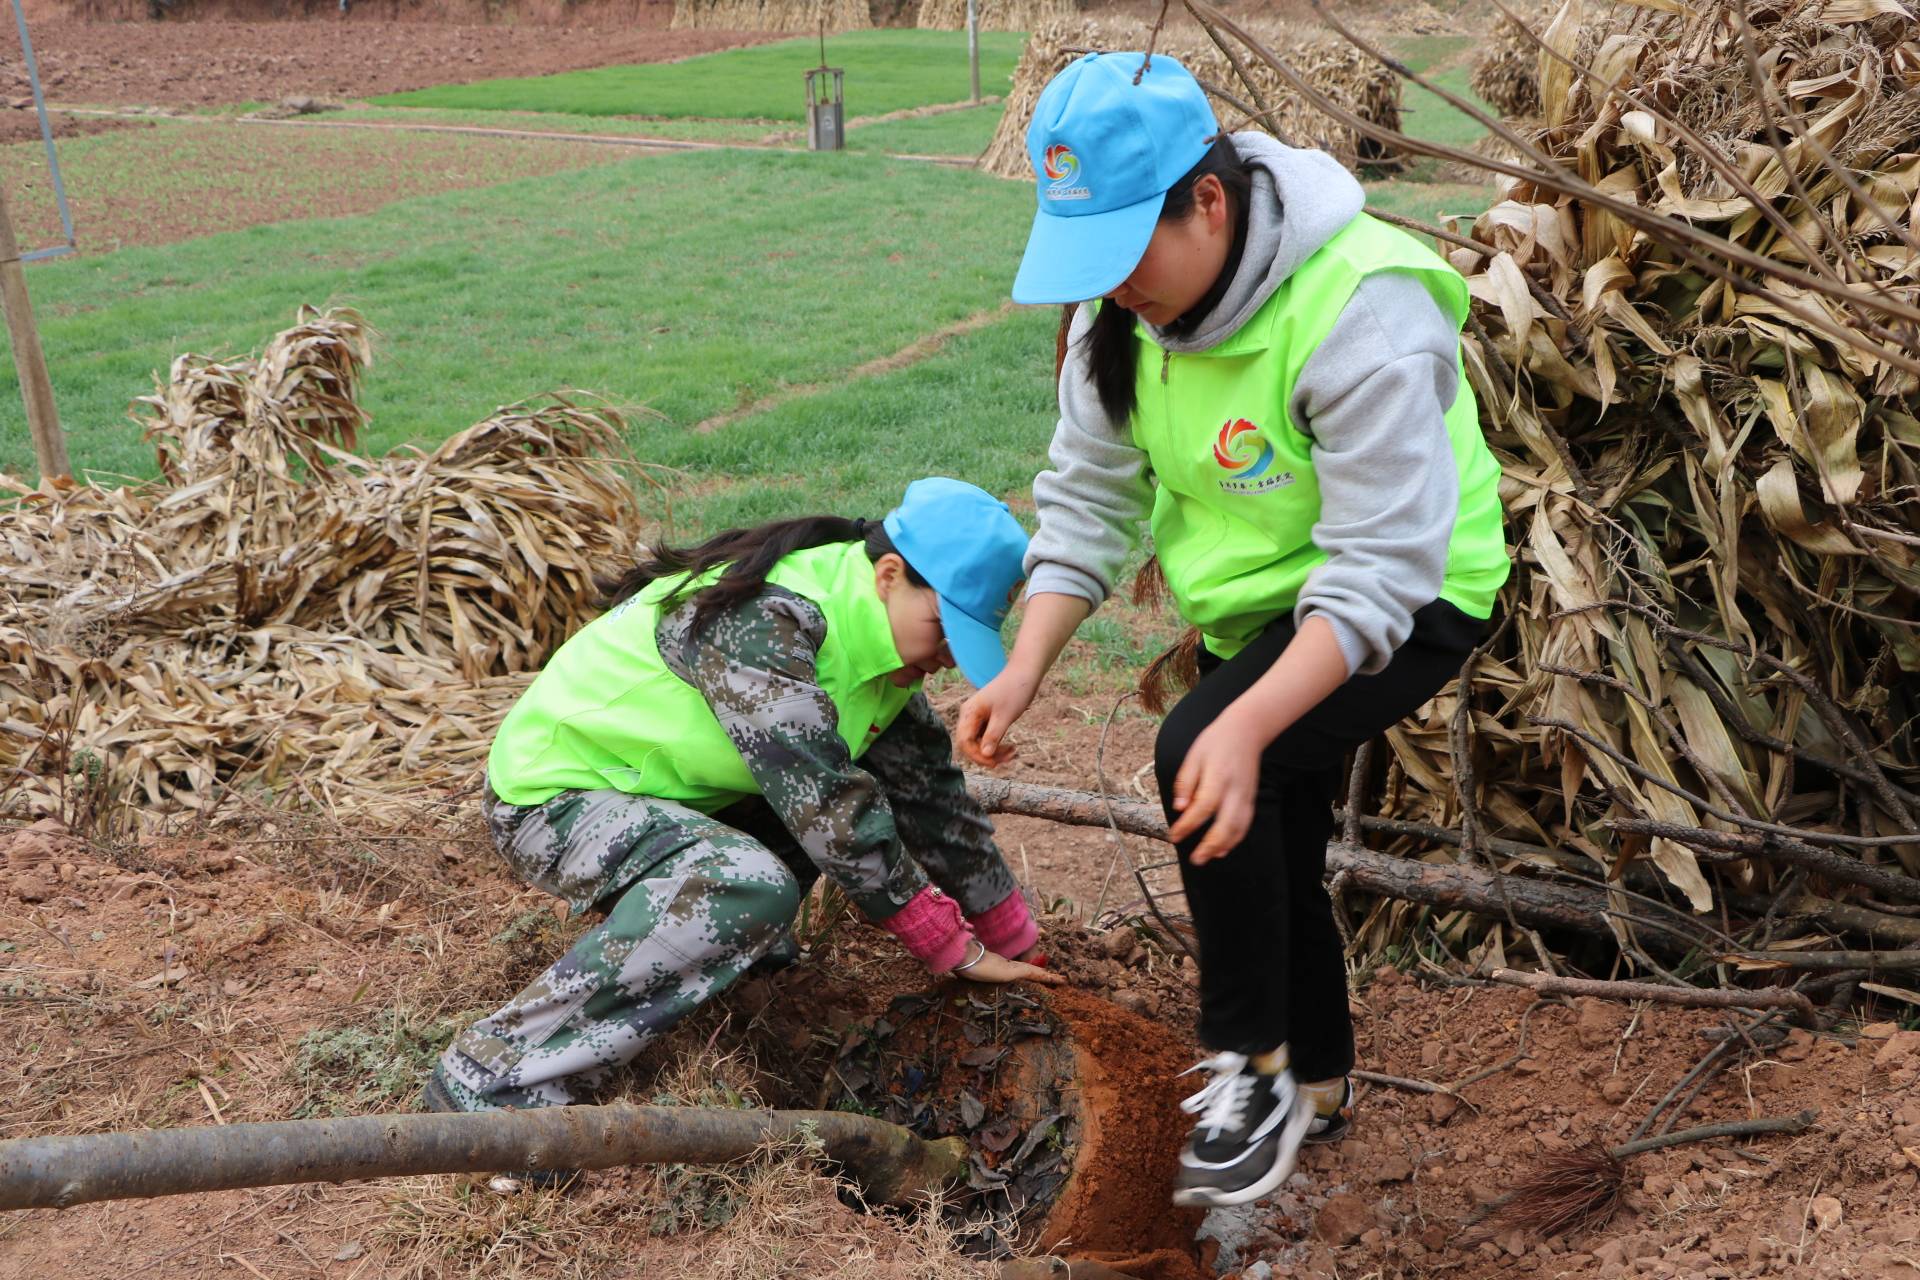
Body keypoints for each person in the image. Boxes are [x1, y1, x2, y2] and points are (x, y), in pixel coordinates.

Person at [957, 52, 1511, 1208]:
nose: (1111, 291)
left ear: (1209, 201)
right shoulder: (1127, 318)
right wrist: (1025, 666)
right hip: (1260, 599)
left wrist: (1246, 717)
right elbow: (1090, 497)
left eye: (1126, 255)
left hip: (1409, 591)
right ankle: (1320, 1070)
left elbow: (1380, 571)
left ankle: (1252, 1068)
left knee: (1208, 752)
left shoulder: (1363, 306)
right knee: (1272, 827)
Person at [427, 478, 1062, 1176]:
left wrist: (1014, 942)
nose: (948, 657)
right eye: (945, 629)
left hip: (670, 798)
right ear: (888, 576)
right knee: (745, 882)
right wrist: (947, 946)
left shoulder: (879, 655)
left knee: (824, 819)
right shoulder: (769, 622)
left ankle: (709, 957)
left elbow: (931, 801)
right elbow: (826, 803)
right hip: (554, 797)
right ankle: (492, 1077)